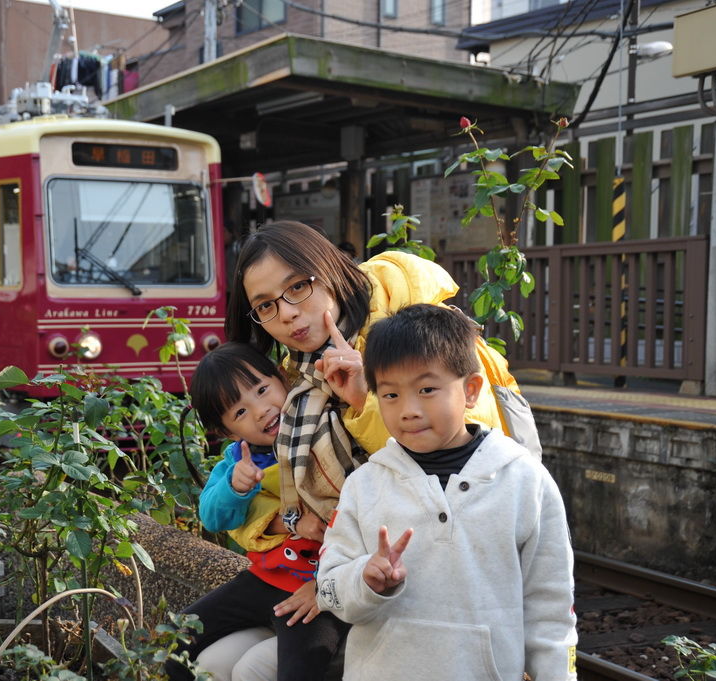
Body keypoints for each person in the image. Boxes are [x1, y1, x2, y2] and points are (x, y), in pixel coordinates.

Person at [204, 220, 542, 677]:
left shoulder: (423, 337)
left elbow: (455, 480)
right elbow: (281, 504)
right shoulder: (298, 376)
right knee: (207, 661)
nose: (285, 313)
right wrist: (284, 525)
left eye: (298, 287)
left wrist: (366, 399)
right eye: (266, 305)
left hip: (433, 588)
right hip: (356, 576)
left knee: (248, 670)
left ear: (331, 269)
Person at [316, 303, 577, 680]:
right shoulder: (364, 485)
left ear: (470, 390)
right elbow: (328, 589)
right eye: (390, 395)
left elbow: (551, 610)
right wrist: (364, 580)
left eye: (426, 389)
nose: (408, 410)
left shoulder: (525, 482)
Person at [166, 342, 349, 681]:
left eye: (262, 390)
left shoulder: (322, 435)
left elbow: (353, 508)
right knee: (176, 641)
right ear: (226, 432)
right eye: (239, 413)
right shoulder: (238, 460)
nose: (261, 410)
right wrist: (235, 488)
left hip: (315, 588)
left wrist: (324, 585)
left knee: (299, 669)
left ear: (282, 378)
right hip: (264, 580)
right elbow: (213, 516)